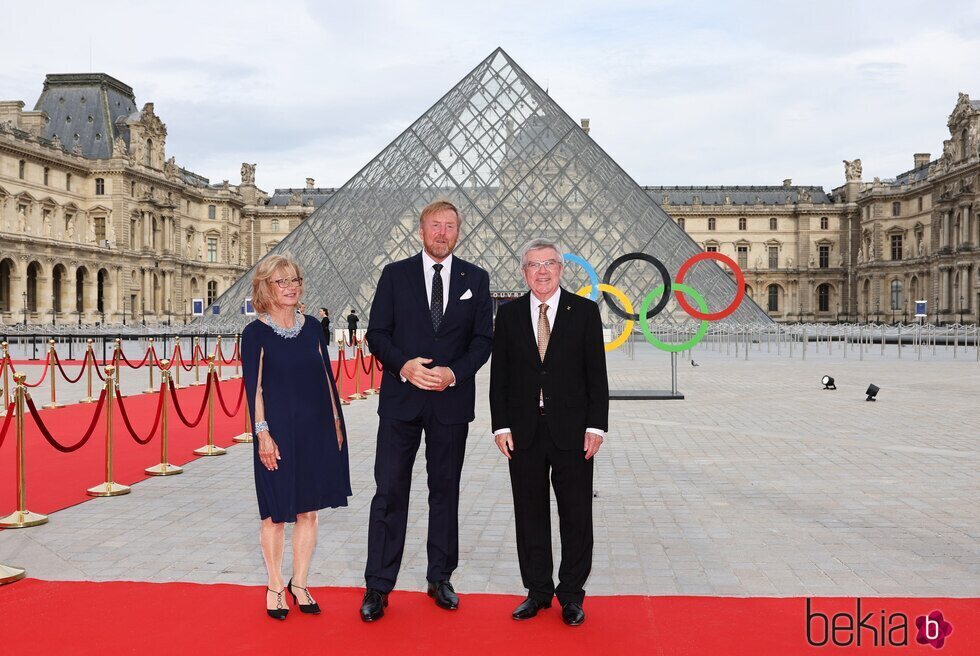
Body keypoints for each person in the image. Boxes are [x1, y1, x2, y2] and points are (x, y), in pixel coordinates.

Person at [359, 199, 493, 621]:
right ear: (421, 230)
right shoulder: (394, 275)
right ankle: (378, 586)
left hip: (451, 402)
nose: (441, 233)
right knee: (389, 493)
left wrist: (454, 373)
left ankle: (441, 577)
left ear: (458, 231)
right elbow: (376, 334)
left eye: (449, 226)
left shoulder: (477, 277)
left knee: (445, 493)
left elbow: (483, 341)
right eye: (435, 225)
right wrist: (403, 365)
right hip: (402, 400)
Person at [489, 238, 609, 627]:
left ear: (561, 268)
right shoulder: (506, 316)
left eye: (549, 264)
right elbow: (500, 377)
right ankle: (537, 591)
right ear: (523, 272)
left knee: (576, 514)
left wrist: (596, 426)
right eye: (533, 265)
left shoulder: (585, 312)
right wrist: (500, 425)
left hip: (573, 430)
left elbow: (597, 376)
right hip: (523, 430)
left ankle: (571, 594)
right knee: (529, 514)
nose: (541, 271)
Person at [241, 255, 352, 621]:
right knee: (275, 513)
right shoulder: (254, 333)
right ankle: (275, 584)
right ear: (265, 287)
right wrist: (263, 435)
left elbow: (325, 377)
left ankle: (300, 582)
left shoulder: (312, 329)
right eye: (281, 281)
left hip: (316, 428)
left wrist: (336, 422)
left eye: (295, 280)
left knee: (308, 510)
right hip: (279, 433)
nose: (291, 286)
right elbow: (254, 389)